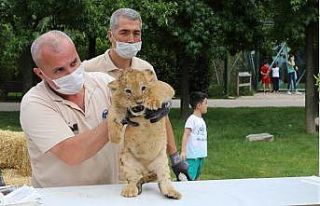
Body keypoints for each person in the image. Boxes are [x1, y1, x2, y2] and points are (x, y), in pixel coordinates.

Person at [83, 8, 190, 181]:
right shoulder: (88, 70)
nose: (131, 39)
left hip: (141, 162)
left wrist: (175, 158)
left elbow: (162, 117)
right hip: (103, 167)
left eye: (136, 33)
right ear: (110, 35)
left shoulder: (146, 70)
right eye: (124, 32)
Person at [20, 30, 135, 188]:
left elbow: (135, 102)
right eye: (59, 70)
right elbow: (71, 153)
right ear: (40, 73)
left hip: (106, 191)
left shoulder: (103, 83)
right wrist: (119, 116)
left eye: (74, 63)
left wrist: (151, 106)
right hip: (59, 198)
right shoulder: (34, 103)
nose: (71, 73)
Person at [180, 92, 208, 181]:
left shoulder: (201, 120)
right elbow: (186, 135)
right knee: (189, 177)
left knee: (197, 176)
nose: (207, 106)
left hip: (201, 155)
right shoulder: (192, 120)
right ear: (199, 105)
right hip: (192, 156)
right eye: (205, 103)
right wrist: (183, 151)